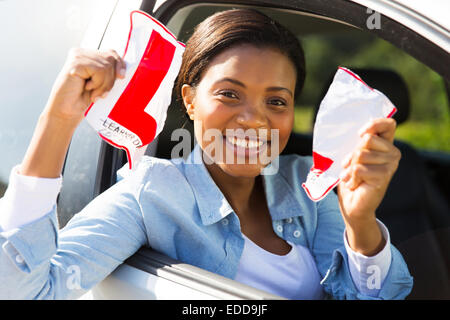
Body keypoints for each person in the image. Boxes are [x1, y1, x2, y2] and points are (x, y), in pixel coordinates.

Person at [0, 9, 413, 299]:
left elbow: (368, 298)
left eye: (276, 101)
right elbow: (29, 292)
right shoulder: (152, 194)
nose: (253, 119)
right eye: (229, 94)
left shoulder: (308, 186)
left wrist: (360, 224)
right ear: (190, 100)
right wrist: (58, 118)